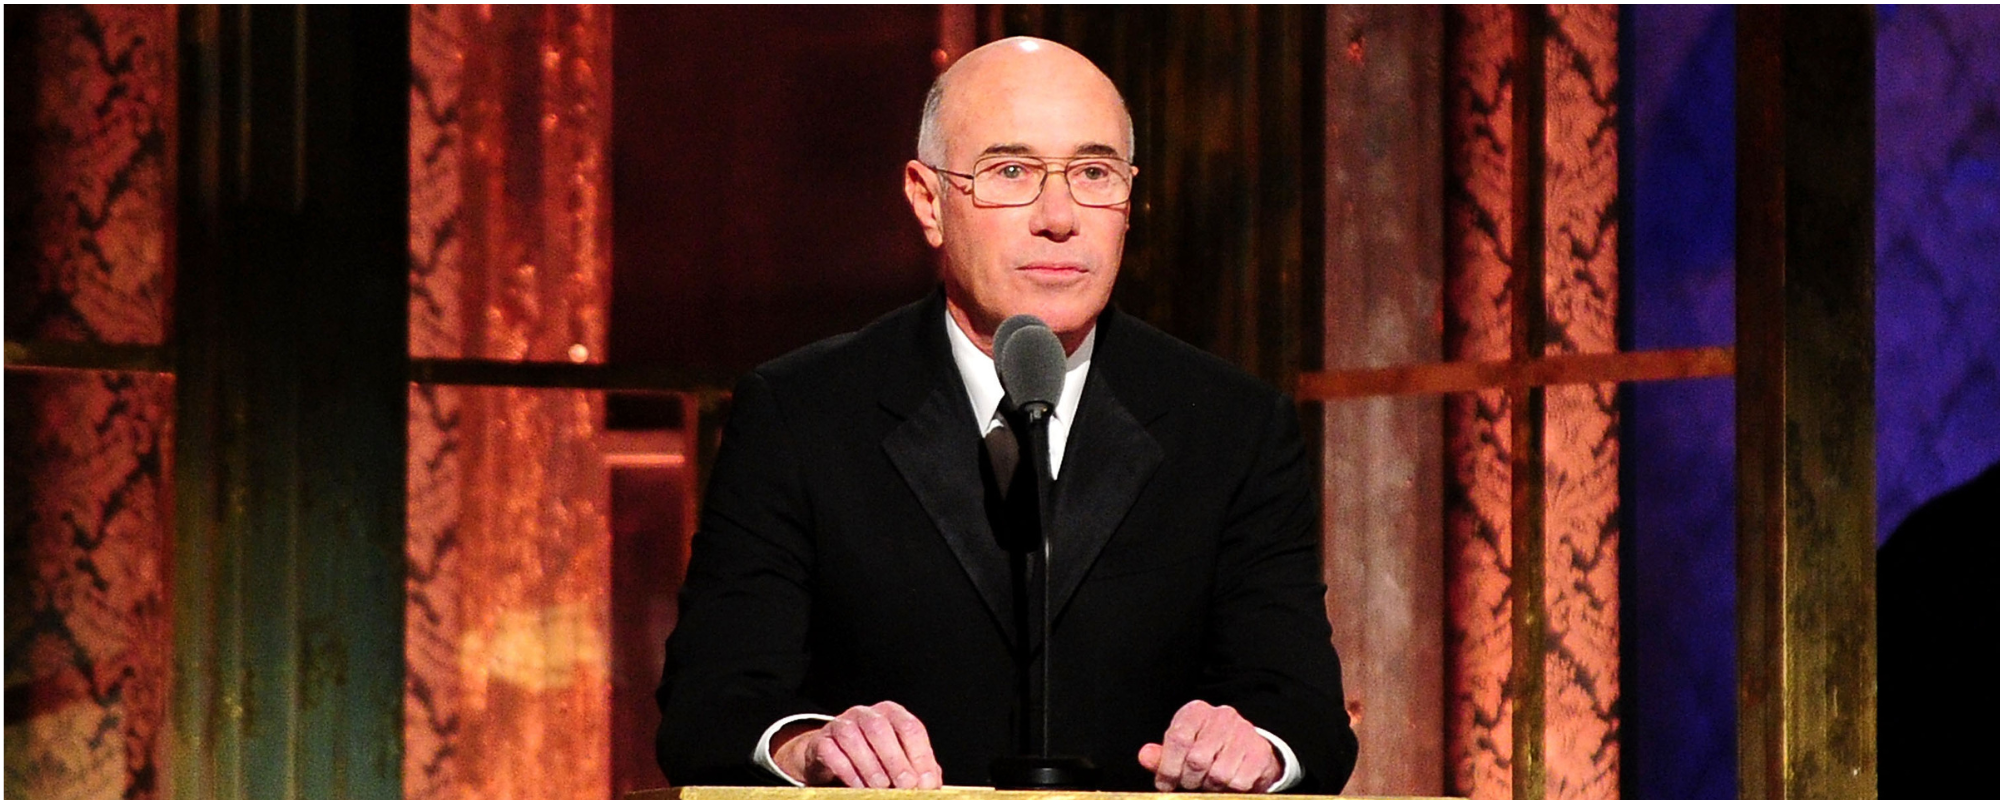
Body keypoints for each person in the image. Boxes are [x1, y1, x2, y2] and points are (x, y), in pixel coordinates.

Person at [656, 37, 1357, 793]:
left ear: (1129, 203)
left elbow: (1305, 715)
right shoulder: (802, 414)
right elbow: (710, 707)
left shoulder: (1232, 425)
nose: (1058, 217)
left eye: (1093, 174)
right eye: (1011, 172)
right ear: (929, 200)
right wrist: (807, 746)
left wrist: (1259, 748)